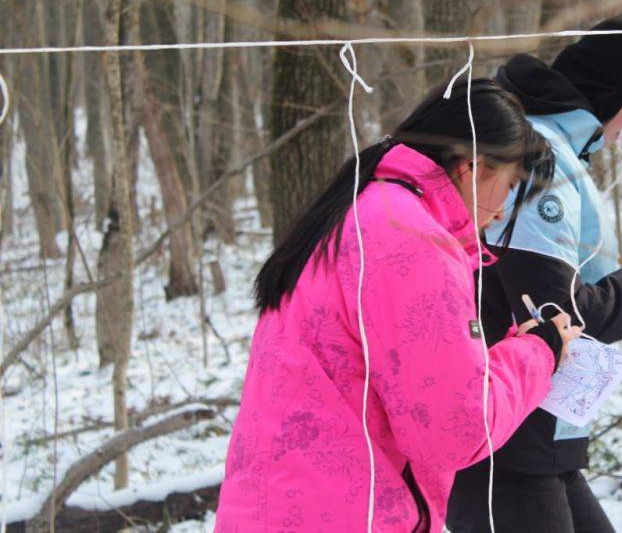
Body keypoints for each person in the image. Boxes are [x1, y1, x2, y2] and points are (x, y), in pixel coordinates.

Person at [216, 79, 583, 532]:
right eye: (508, 187)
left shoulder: (363, 208)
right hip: (346, 513)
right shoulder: (413, 240)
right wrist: (538, 352)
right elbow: (456, 429)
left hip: (280, 505)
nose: (503, 211)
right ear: (471, 167)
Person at [447, 11, 622, 532]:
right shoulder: (538, 158)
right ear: (619, 88)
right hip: (507, 441)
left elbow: (576, 295)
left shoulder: (558, 152)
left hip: (542, 437)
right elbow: (560, 314)